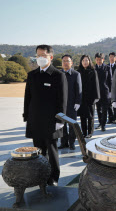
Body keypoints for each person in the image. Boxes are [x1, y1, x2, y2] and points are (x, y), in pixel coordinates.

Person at [23, 45, 68, 186]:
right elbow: (27, 97)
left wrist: (60, 119)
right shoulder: (32, 75)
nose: (40, 58)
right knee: (38, 150)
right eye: (38, 56)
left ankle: (53, 178)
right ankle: (40, 176)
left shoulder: (58, 75)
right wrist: (26, 115)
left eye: (43, 55)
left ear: (51, 57)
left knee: (52, 149)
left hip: (51, 120)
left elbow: (63, 99)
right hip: (35, 118)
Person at [58, 54, 82, 150]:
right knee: (61, 125)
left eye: (67, 61)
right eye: (64, 61)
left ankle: (72, 142)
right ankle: (64, 143)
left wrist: (78, 102)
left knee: (72, 125)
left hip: (72, 104)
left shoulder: (76, 74)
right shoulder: (58, 74)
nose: (65, 63)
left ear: (71, 63)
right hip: (60, 105)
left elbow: (79, 89)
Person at [77, 55, 100, 138]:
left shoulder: (93, 71)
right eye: (83, 60)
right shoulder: (78, 72)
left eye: (86, 60)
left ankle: (90, 132)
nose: (85, 62)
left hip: (91, 97)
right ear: (81, 62)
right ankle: (84, 132)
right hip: (82, 98)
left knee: (91, 116)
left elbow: (96, 85)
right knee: (83, 116)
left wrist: (96, 98)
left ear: (89, 61)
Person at [94, 53, 112, 132]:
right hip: (96, 92)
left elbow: (110, 80)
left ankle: (103, 124)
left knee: (105, 109)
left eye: (100, 59)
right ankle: (100, 122)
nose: (98, 61)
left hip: (105, 91)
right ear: (95, 60)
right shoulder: (93, 68)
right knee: (98, 109)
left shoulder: (107, 67)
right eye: (97, 60)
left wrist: (110, 92)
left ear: (103, 59)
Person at [107, 52, 116, 124]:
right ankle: (110, 118)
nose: (111, 58)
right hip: (108, 87)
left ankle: (115, 117)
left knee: (115, 103)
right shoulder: (107, 66)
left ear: (115, 58)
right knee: (108, 104)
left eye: (113, 57)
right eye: (110, 57)